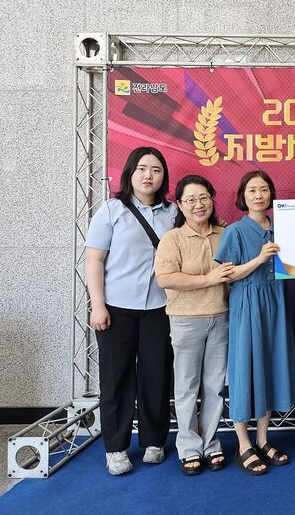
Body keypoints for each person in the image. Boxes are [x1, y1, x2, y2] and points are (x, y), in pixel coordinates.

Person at [85, 146, 175, 476]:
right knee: (116, 379)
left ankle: (154, 441)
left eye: (156, 170)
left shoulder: (173, 213)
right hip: (116, 309)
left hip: (160, 309)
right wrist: (97, 305)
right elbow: (94, 260)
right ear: (130, 173)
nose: (149, 175)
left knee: (157, 376)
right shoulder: (111, 210)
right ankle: (116, 448)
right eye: (142, 169)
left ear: (164, 176)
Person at [214, 170, 295, 476]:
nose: (259, 195)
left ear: (271, 194)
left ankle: (263, 439)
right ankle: (243, 444)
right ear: (243, 196)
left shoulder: (283, 228)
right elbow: (227, 274)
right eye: (252, 190)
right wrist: (259, 259)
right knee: (244, 370)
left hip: (276, 302)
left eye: (264, 189)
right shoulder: (236, 231)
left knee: (270, 367)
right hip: (247, 303)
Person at [155, 175, 232, 475]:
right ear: (180, 204)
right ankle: (188, 447)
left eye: (204, 198)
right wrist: (208, 279)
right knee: (186, 387)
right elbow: (166, 278)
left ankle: (211, 444)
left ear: (212, 199)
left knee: (215, 387)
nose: (198, 205)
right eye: (191, 200)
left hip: (221, 317)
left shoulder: (225, 234)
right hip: (185, 320)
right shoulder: (172, 238)